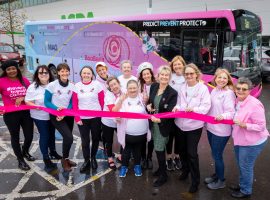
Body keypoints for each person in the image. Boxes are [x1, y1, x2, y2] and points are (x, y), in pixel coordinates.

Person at [173, 63, 211, 193]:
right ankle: (185, 170)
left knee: (192, 153)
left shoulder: (203, 88)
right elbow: (178, 104)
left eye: (191, 73)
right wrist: (176, 108)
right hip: (180, 124)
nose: (189, 76)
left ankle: (195, 181)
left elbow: (206, 107)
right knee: (182, 151)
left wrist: (194, 109)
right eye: (186, 74)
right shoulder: (182, 87)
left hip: (194, 126)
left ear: (196, 74)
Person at [230, 77, 269, 198]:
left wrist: (244, 125)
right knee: (242, 164)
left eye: (244, 89)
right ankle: (243, 184)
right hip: (241, 139)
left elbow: (261, 127)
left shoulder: (255, 104)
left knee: (246, 166)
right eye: (238, 88)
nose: (240, 91)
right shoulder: (238, 100)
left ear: (249, 90)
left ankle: (246, 190)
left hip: (253, 142)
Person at [25, 65, 62, 170]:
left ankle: (53, 152)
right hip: (39, 116)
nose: (43, 75)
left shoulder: (54, 85)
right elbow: (27, 101)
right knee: (45, 135)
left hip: (52, 116)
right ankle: (46, 158)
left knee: (51, 134)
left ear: (49, 74)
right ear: (37, 74)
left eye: (46, 72)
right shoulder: (33, 87)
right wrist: (36, 106)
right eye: (41, 73)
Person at [0, 60, 34, 171]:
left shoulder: (24, 80)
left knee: (29, 136)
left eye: (13, 68)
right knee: (15, 137)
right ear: (5, 71)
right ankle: (20, 160)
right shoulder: (1, 81)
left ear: (17, 69)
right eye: (8, 69)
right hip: (11, 115)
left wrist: (23, 98)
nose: (11, 71)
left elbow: (32, 95)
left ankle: (25, 152)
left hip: (26, 113)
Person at [147, 65, 177, 187]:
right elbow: (150, 102)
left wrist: (160, 120)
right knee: (158, 147)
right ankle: (161, 169)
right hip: (153, 124)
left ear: (169, 77)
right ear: (158, 76)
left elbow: (171, 113)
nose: (164, 77)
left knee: (159, 149)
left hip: (162, 126)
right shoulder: (154, 86)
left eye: (167, 75)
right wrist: (148, 106)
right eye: (162, 75)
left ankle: (163, 175)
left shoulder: (172, 93)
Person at [205, 68, 236, 189]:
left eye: (225, 77)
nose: (222, 80)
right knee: (214, 154)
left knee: (217, 155)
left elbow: (231, 112)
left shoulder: (228, 93)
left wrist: (222, 116)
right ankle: (217, 175)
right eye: (219, 77)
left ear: (228, 79)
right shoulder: (214, 90)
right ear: (215, 78)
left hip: (221, 131)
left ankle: (221, 181)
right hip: (211, 128)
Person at [44, 63, 76, 172]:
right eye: (62, 71)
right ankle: (64, 160)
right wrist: (57, 110)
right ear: (58, 72)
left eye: (66, 71)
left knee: (68, 138)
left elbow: (72, 101)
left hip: (67, 115)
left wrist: (65, 112)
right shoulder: (52, 85)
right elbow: (46, 102)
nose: (65, 73)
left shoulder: (72, 85)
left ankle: (66, 158)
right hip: (56, 115)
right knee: (69, 137)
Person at [72, 66, 104, 172]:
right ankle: (86, 161)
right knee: (85, 141)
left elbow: (102, 101)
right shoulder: (76, 86)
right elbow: (75, 104)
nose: (86, 75)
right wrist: (77, 118)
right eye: (84, 73)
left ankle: (93, 157)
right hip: (83, 119)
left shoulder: (97, 85)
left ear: (92, 75)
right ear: (81, 74)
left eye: (88, 73)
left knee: (95, 139)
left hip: (96, 118)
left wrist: (102, 116)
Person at [116, 80, 150, 178]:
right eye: (130, 88)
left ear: (138, 88)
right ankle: (124, 167)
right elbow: (116, 111)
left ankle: (137, 165)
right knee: (126, 152)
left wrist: (148, 105)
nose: (132, 90)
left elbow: (147, 110)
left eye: (134, 88)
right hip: (128, 133)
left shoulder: (142, 98)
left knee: (138, 151)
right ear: (127, 89)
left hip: (141, 132)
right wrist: (117, 117)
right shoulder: (123, 99)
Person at [167, 55, 186, 171]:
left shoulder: (187, 76)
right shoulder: (170, 77)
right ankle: (169, 158)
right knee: (170, 136)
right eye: (175, 64)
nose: (177, 66)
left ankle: (177, 156)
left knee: (179, 136)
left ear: (183, 64)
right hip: (170, 111)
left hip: (182, 111)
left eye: (179, 64)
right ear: (172, 67)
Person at [137, 62, 156, 169]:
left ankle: (149, 157)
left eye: (148, 73)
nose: (146, 76)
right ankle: (143, 158)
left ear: (151, 74)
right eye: (144, 74)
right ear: (141, 76)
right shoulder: (139, 86)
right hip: (142, 115)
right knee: (143, 136)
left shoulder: (156, 84)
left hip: (153, 114)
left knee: (152, 137)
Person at [101, 76, 122, 170]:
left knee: (122, 138)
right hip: (108, 121)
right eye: (111, 85)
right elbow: (112, 110)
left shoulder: (123, 92)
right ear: (109, 87)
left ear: (118, 83)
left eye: (115, 84)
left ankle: (121, 155)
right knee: (109, 141)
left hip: (120, 121)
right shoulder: (108, 95)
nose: (114, 86)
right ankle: (110, 158)